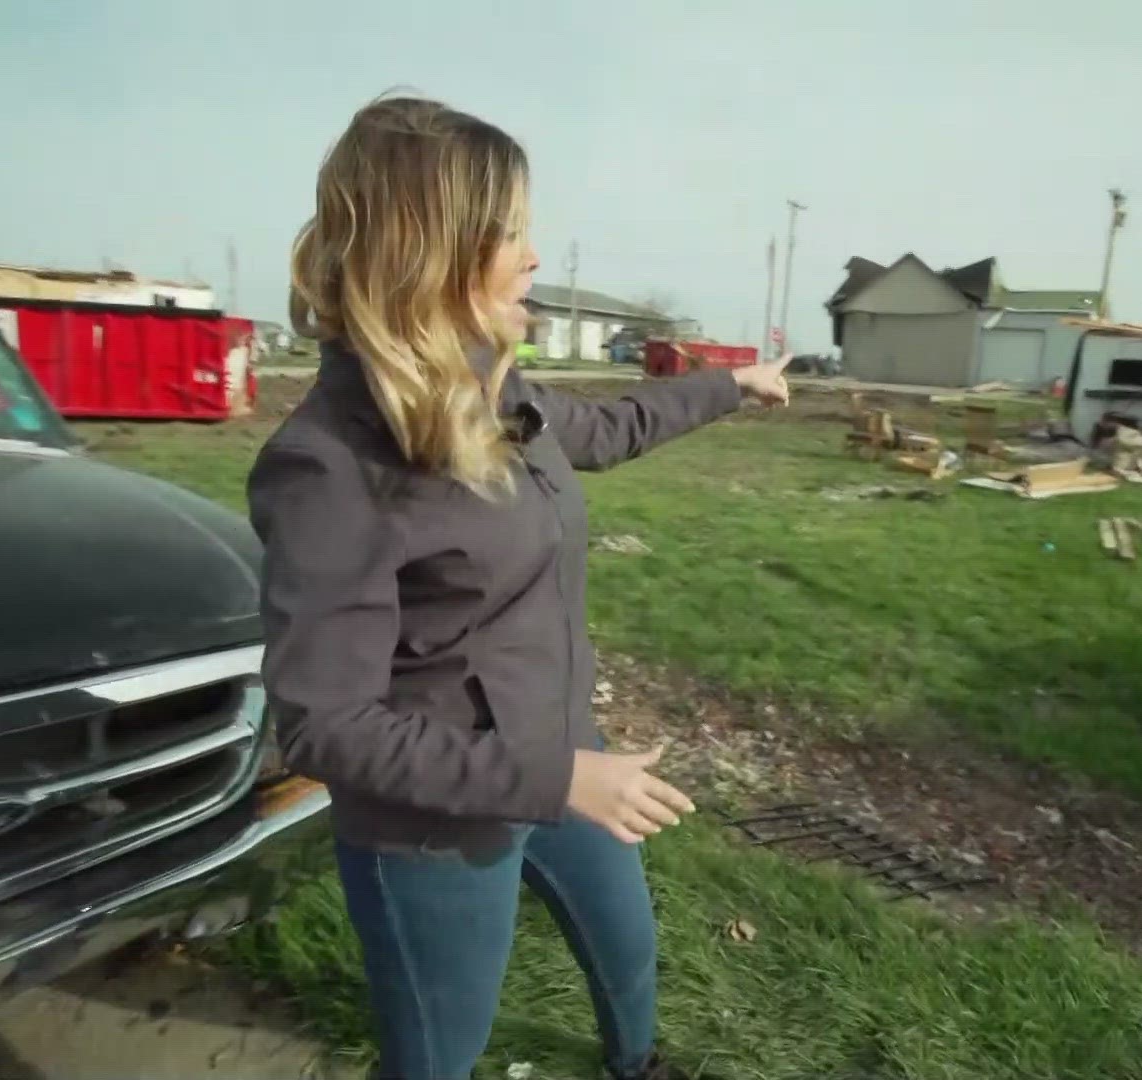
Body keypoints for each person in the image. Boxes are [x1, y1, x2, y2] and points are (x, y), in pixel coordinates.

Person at [247, 95, 790, 1080]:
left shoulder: (501, 393)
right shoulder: (325, 464)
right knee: (437, 1056)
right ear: (433, 251)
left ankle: (639, 1066)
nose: (533, 257)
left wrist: (731, 386)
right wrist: (559, 781)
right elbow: (324, 727)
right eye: (510, 234)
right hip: (434, 830)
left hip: (557, 758)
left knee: (626, 953)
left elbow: (612, 428)